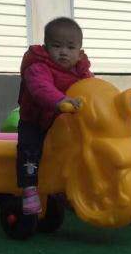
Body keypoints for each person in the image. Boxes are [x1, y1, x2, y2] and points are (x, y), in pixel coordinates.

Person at [17, 17, 93, 214]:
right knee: (30, 150)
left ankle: (70, 187)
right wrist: (60, 100)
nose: (63, 52)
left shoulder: (81, 70)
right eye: (57, 46)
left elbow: (92, 88)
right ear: (46, 47)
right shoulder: (38, 66)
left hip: (61, 122)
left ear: (79, 51)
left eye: (70, 47)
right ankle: (29, 188)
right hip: (36, 120)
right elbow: (40, 88)